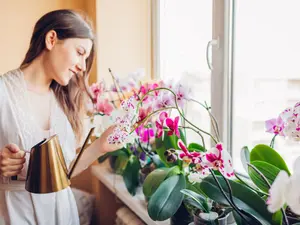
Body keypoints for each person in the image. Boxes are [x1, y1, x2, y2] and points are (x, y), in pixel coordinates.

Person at [0, 9, 120, 225]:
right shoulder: (3, 93)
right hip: (14, 213)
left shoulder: (65, 101)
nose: (83, 67)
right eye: (80, 52)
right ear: (51, 39)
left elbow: (62, 173)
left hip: (62, 214)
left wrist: (101, 146)